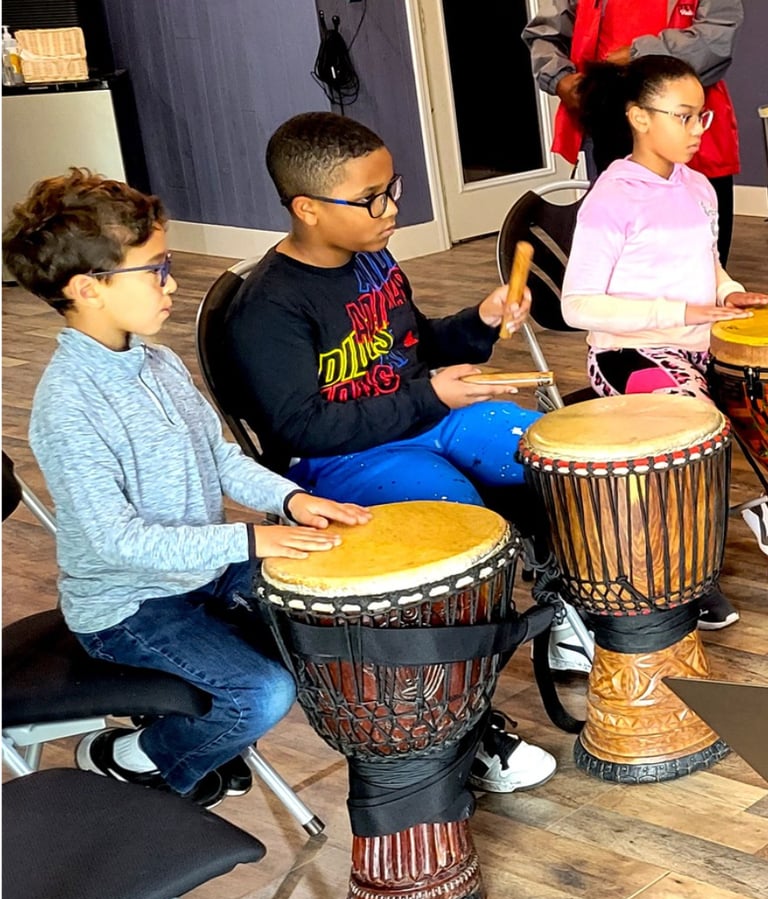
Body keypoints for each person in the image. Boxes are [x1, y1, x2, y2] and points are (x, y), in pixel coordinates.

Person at [2, 168, 371, 808]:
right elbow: (118, 544)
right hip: (129, 607)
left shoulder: (158, 362)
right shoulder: (67, 409)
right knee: (262, 693)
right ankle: (135, 756)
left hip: (202, 569)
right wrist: (250, 539)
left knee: (333, 601)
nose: (171, 282)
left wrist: (289, 499)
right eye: (154, 268)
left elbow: (220, 457)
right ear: (88, 288)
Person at [221, 110, 565, 794]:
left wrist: (479, 321)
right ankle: (467, 722)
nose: (391, 210)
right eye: (372, 198)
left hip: (415, 418)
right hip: (338, 460)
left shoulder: (373, 259)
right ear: (309, 209)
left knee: (542, 447)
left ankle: (565, 612)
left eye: (393, 188)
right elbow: (304, 431)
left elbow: (416, 349)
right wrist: (431, 399)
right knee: (455, 510)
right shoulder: (269, 308)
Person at [560, 55, 768, 623]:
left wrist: (729, 293)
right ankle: (686, 573)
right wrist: (681, 309)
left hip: (702, 344)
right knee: (700, 429)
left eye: (702, 117)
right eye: (683, 116)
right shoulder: (611, 198)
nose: (698, 130)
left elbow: (708, 264)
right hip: (629, 352)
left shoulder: (699, 187)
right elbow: (575, 305)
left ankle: (752, 516)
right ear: (638, 117)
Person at [522, 0, 743, 264]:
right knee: (618, 253)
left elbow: (716, 38)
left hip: (687, 129)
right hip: (608, 127)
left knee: (702, 256)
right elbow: (546, 32)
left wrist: (639, 55)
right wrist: (559, 78)